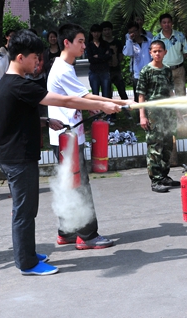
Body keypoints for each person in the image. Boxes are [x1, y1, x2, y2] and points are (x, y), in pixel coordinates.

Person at [0, 29, 122, 275]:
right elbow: (66, 100)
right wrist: (102, 104)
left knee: (27, 209)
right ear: (20, 57)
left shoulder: (9, 83)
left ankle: (28, 253)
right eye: (34, 58)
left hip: (16, 155)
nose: (37, 63)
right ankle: (27, 263)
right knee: (24, 212)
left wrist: (44, 121)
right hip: (19, 158)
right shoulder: (20, 85)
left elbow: (14, 116)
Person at [48, 23, 132, 250]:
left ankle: (66, 232)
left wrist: (97, 105)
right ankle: (88, 236)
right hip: (67, 138)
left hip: (66, 136)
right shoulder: (63, 69)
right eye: (80, 41)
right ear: (67, 43)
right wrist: (117, 103)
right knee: (80, 185)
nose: (84, 46)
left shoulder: (65, 66)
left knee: (69, 184)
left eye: (84, 41)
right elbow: (85, 96)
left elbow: (78, 99)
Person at [136, 40, 180, 193]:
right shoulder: (146, 71)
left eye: (160, 51)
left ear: (165, 52)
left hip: (167, 113)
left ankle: (164, 176)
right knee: (155, 146)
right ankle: (155, 180)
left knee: (167, 145)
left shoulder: (167, 70)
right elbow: (141, 95)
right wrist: (142, 116)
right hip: (153, 113)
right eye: (154, 51)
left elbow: (171, 92)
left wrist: (177, 110)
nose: (157, 54)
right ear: (150, 53)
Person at [153, 13, 187, 96]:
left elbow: (186, 52)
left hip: (179, 69)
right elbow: (154, 56)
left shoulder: (180, 35)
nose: (167, 24)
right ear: (161, 24)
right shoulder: (156, 39)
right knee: (165, 95)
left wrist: (177, 59)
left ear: (172, 23)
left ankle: (181, 106)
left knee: (181, 95)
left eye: (169, 22)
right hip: (163, 70)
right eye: (164, 22)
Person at [102, 20, 129, 105]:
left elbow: (121, 56)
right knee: (108, 94)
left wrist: (116, 60)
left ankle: (127, 110)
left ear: (111, 30)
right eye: (105, 30)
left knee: (122, 92)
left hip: (116, 70)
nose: (107, 32)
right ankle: (109, 112)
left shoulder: (117, 42)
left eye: (108, 29)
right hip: (105, 71)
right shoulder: (101, 43)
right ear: (102, 31)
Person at [123, 22, 152, 92]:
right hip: (137, 74)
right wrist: (130, 40)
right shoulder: (130, 43)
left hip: (150, 72)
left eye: (134, 31)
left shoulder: (149, 41)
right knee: (138, 96)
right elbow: (128, 53)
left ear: (139, 30)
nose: (133, 34)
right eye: (130, 32)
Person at [86, 24, 112, 98]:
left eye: (98, 32)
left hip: (104, 71)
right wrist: (103, 56)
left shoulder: (105, 44)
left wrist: (98, 56)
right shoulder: (89, 45)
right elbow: (91, 59)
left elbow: (108, 56)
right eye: (94, 32)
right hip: (94, 72)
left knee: (106, 95)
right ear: (91, 33)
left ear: (100, 33)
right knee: (95, 94)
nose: (96, 34)